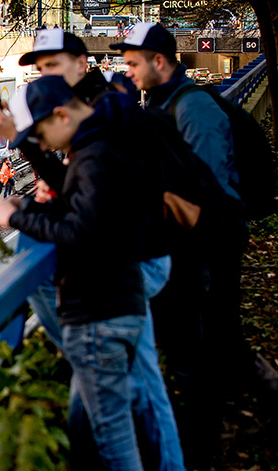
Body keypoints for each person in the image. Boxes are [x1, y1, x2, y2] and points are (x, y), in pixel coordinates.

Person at [0, 29, 186, 471]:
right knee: (109, 398)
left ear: (80, 63)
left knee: (134, 395)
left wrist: (19, 210)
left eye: (52, 66)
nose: (45, 75)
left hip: (127, 268)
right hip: (121, 274)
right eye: (40, 70)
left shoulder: (105, 113)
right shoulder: (92, 118)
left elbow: (88, 217)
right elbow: (85, 197)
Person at [114, 23, 256, 468]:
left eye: (134, 64)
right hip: (188, 246)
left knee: (209, 348)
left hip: (207, 246)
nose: (129, 72)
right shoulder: (160, 103)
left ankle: (210, 448)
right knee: (207, 348)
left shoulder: (192, 108)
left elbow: (204, 191)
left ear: (160, 62)